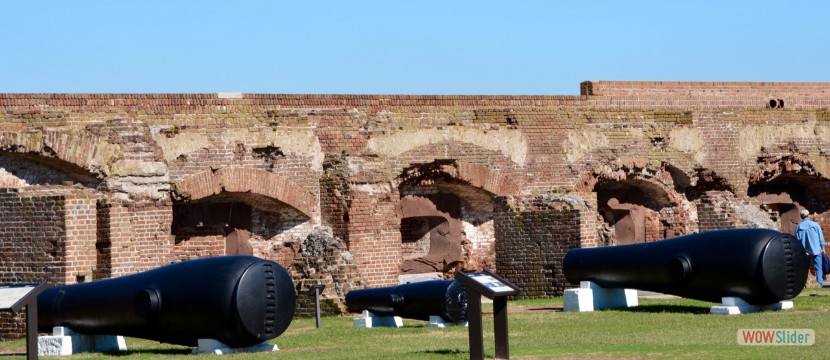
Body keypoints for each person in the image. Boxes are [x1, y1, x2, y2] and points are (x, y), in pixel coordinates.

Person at [795, 209, 827, 287]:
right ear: (808, 215)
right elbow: (821, 237)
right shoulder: (815, 225)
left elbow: (797, 240)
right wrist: (823, 247)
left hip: (805, 250)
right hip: (816, 248)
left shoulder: (798, 227)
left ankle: (805, 283)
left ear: (801, 217)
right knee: (818, 267)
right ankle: (819, 283)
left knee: (805, 267)